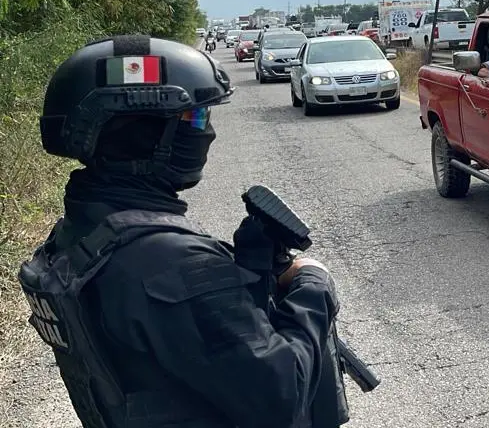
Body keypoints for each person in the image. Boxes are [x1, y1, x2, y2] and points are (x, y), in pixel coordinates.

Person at [18, 35, 342, 428]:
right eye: (195, 118)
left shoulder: (83, 235)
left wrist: (253, 269)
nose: (206, 132)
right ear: (146, 133)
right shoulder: (174, 264)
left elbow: (186, 345)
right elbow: (282, 395)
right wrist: (314, 285)